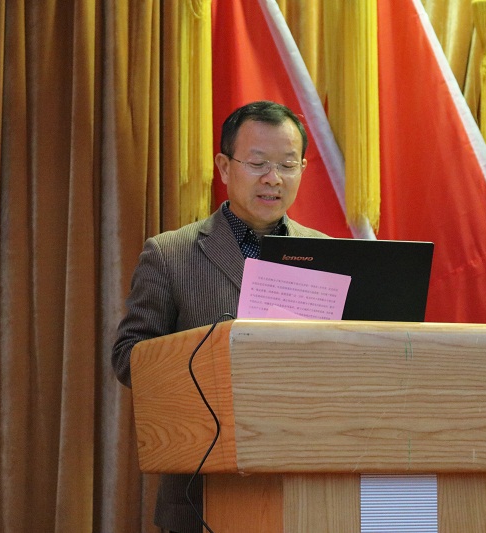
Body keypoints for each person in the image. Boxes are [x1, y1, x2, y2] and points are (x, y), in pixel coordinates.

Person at [112, 100, 328, 533]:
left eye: (288, 164)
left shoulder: (328, 255)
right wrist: (212, 356)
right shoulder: (170, 254)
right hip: (203, 490)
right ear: (225, 167)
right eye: (258, 163)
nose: (273, 178)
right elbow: (128, 356)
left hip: (305, 487)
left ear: (303, 169)